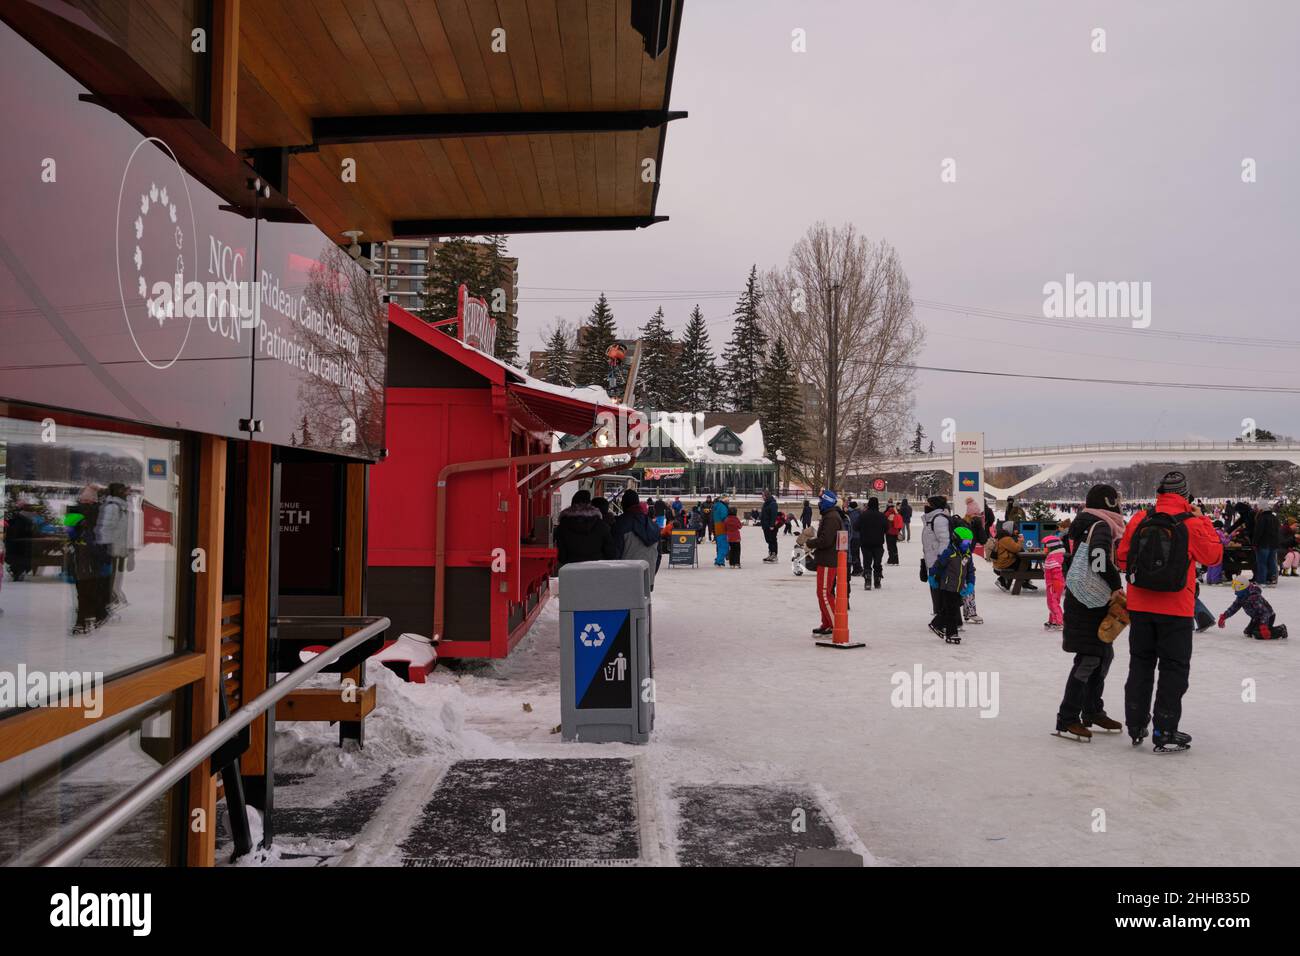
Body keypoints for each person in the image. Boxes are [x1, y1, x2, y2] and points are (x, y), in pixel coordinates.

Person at [1117, 471, 1223, 752]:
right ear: (1186, 495)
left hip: (1140, 605)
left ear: (1160, 492)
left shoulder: (1141, 518)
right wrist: (1203, 520)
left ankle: (1136, 724)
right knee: (1173, 668)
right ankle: (1165, 729)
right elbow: (1214, 556)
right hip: (1176, 608)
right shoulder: (1192, 523)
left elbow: (1122, 557)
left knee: (1140, 664)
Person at [1055, 483, 1127, 740]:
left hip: (1082, 598)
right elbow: (1098, 558)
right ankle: (1068, 717)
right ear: (1109, 503)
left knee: (1102, 655)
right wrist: (1115, 583)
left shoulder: (1085, 522)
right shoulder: (1102, 525)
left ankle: (1092, 709)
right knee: (1089, 659)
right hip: (1090, 602)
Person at [810, 490, 844, 636]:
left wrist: (810, 543)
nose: (819, 504)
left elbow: (825, 540)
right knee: (823, 593)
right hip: (826, 559)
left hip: (828, 560)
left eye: (821, 501)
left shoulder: (831, 517)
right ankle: (827, 623)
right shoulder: (830, 515)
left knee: (824, 593)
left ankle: (834, 624)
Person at [611, 490, 661, 590]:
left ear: (623, 504)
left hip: (624, 580)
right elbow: (658, 555)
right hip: (647, 578)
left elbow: (615, 555)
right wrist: (650, 574)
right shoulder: (654, 526)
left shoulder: (620, 524)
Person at [932, 525, 973, 644]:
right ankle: (952, 633)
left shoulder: (967, 554)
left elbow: (970, 570)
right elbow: (938, 565)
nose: (968, 544)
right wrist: (932, 576)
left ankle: (936, 624)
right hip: (947, 585)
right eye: (965, 541)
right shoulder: (949, 552)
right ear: (957, 539)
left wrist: (971, 583)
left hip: (958, 586)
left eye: (969, 542)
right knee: (951, 610)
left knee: (953, 606)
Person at [96, 482, 133, 613]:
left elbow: (125, 531)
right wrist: (106, 548)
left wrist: (129, 550)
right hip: (112, 549)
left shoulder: (123, 506)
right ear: (116, 492)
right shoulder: (113, 507)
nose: (126, 492)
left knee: (118, 577)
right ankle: (108, 602)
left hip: (120, 549)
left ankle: (114, 600)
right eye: (122, 489)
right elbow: (106, 529)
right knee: (111, 578)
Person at [555, 489, 617, 567]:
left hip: (571, 570)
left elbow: (562, 556)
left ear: (572, 504)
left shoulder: (563, 527)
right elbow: (611, 554)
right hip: (596, 570)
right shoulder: (602, 526)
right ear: (589, 504)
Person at [1219, 570, 1287, 639]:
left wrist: (1264, 626)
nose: (1235, 591)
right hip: (1256, 618)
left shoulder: (1254, 598)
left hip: (1268, 617)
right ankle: (1260, 629)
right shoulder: (1241, 597)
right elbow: (1234, 608)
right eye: (1234, 588)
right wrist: (1224, 617)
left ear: (1243, 587)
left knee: (1258, 634)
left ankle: (1281, 630)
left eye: (1237, 588)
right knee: (1248, 632)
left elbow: (1265, 612)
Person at [921, 495, 953, 636]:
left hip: (938, 561)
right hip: (932, 559)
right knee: (937, 590)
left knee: (940, 591)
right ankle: (943, 618)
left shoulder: (938, 519)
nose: (925, 505)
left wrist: (940, 560)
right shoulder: (931, 518)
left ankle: (944, 620)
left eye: (928, 503)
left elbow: (944, 541)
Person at [858, 497, 886, 590]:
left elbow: (856, 526)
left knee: (867, 563)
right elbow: (887, 528)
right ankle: (877, 581)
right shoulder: (881, 516)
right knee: (877, 563)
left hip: (865, 543)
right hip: (878, 543)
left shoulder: (863, 515)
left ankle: (867, 581)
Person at [1252, 503, 1281, 586]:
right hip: (1274, 544)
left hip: (1263, 544)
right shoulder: (1275, 518)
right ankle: (1273, 578)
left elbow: (1258, 532)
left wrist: (1254, 543)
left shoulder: (1262, 518)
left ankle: (1261, 580)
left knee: (1262, 563)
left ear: (1262, 510)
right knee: (1272, 561)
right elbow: (1278, 531)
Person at [1042, 534, 1066, 630]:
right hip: (1054, 584)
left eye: (1045, 547)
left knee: (1052, 602)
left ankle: (1059, 622)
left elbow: (1056, 572)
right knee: (1053, 602)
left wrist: (1054, 584)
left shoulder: (1053, 558)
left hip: (1053, 584)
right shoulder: (1054, 556)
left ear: (1051, 548)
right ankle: (1053, 620)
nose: (1043, 549)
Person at [993, 524, 1025, 591]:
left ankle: (1003, 581)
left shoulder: (1002, 537)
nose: (1017, 531)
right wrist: (1020, 541)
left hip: (1000, 563)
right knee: (1024, 563)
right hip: (1003, 563)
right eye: (1015, 529)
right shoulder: (1006, 539)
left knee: (1019, 561)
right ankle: (1025, 582)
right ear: (1010, 529)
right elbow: (1017, 549)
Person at [760, 490, 779, 562]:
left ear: (767, 496)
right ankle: (770, 553)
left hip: (771, 526)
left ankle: (774, 555)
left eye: (763, 496)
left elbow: (773, 515)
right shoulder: (766, 503)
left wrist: (772, 525)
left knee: (772, 540)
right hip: (765, 525)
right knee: (768, 540)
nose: (762, 497)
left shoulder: (773, 503)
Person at [711, 495, 730, 567]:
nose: (728, 501)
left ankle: (719, 559)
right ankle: (719, 561)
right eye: (727, 499)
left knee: (720, 545)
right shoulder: (722, 506)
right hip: (722, 527)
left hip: (717, 526)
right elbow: (724, 517)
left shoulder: (716, 506)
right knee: (724, 546)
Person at [883, 501, 901, 565]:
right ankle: (896, 561)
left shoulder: (887, 513)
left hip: (889, 532)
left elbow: (884, 523)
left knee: (890, 547)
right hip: (895, 532)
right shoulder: (897, 514)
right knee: (894, 547)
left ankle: (891, 560)